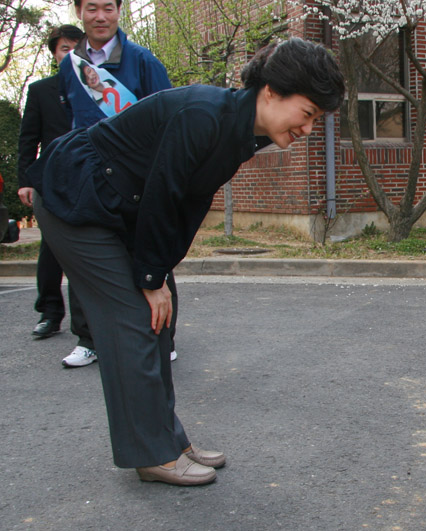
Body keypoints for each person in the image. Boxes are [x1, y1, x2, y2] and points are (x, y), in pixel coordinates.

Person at [28, 38, 345, 486]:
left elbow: (188, 204)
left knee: (157, 321)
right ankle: (151, 454)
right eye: (308, 113)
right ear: (271, 91)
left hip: (119, 204)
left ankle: (169, 442)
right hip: (77, 196)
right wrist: (151, 277)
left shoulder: (242, 129)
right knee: (131, 320)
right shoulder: (203, 115)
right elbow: (165, 193)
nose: (309, 129)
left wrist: (158, 275)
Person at [58, 0, 178, 367]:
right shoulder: (70, 65)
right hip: (89, 177)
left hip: (134, 177)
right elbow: (71, 117)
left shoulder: (142, 61)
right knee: (84, 255)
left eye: (108, 7)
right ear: (79, 11)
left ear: (119, 11)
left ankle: (163, 336)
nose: (100, 16)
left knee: (149, 252)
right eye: (91, 8)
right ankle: (88, 338)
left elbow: (168, 116)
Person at [17, 25, 86, 344]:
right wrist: (25, 180)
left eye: (76, 47)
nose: (70, 54)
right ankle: (50, 312)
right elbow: (28, 139)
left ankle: (89, 323)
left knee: (86, 249)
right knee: (52, 248)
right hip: (50, 179)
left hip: (88, 178)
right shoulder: (41, 90)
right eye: (63, 49)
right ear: (54, 54)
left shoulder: (96, 87)